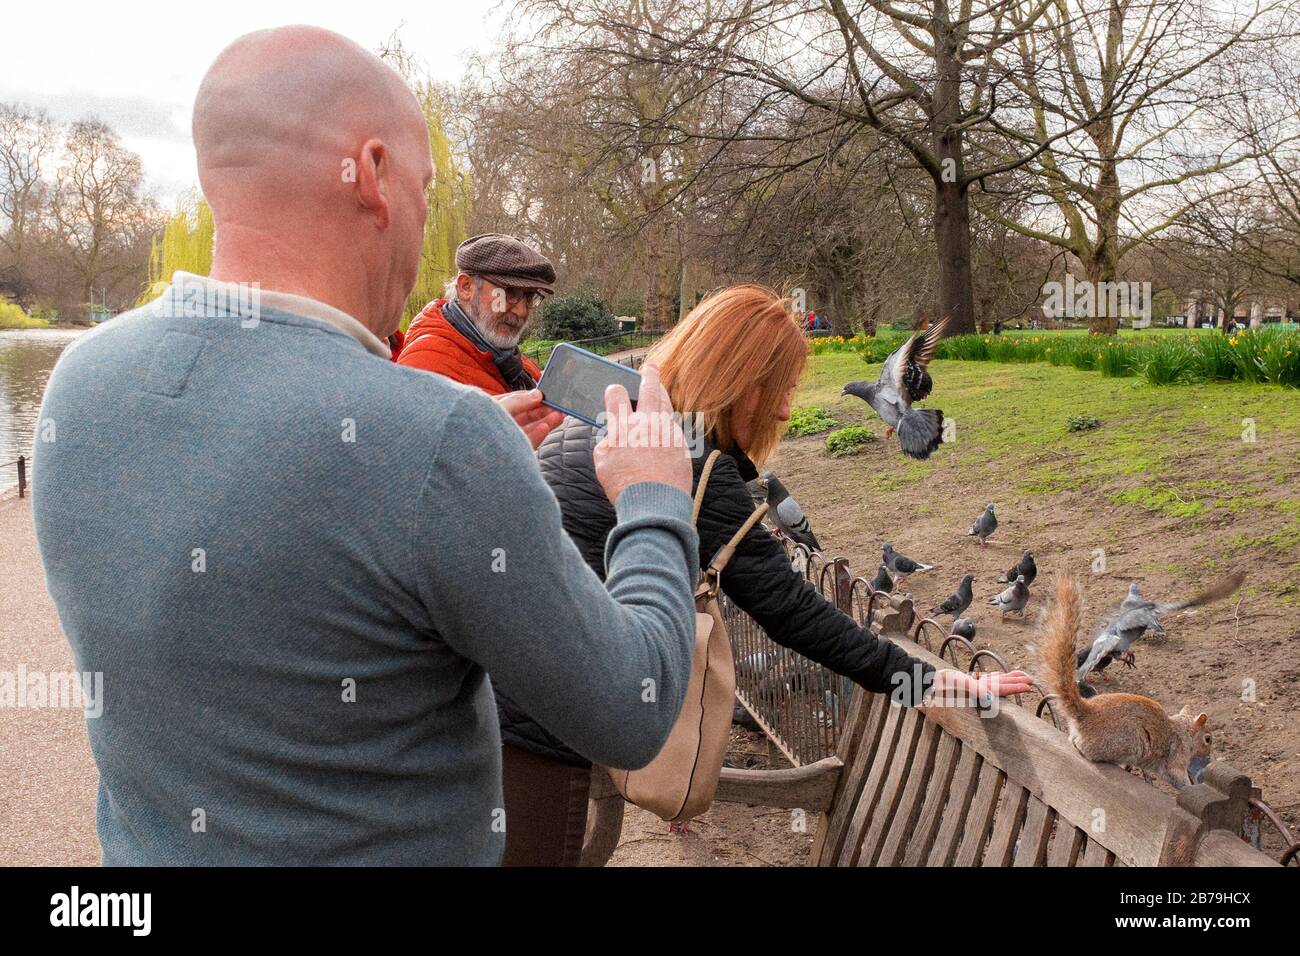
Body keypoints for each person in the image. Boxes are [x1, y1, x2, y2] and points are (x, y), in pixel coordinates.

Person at [31, 26, 701, 866]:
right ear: (374, 175)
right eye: (424, 186)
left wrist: (445, 446)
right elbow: (632, 709)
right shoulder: (436, 444)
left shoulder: (80, 381)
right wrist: (654, 497)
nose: (424, 217)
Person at [519, 284, 1033, 864]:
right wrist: (937, 683)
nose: (787, 410)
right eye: (780, 390)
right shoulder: (691, 466)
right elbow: (796, 615)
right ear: (738, 382)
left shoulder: (607, 424)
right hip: (545, 743)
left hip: (508, 699)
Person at [396, 234, 550, 393]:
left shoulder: (511, 360)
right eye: (509, 293)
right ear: (466, 287)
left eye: (529, 297)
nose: (522, 311)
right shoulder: (425, 370)